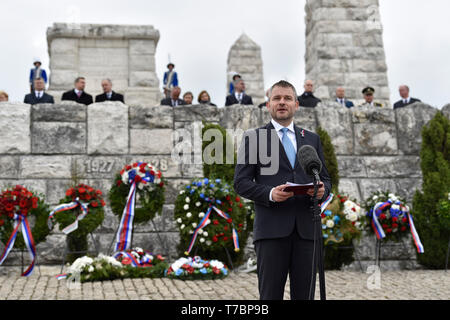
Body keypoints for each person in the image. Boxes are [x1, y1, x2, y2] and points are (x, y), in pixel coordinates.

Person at [234, 80, 332, 300]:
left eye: (287, 98)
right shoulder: (254, 138)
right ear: (268, 105)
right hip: (271, 231)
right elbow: (240, 182)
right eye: (276, 98)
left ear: (296, 105)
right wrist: (270, 194)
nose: (282, 102)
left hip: (307, 232)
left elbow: (326, 178)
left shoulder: (312, 139)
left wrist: (321, 191)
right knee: (269, 297)